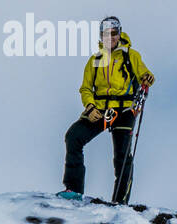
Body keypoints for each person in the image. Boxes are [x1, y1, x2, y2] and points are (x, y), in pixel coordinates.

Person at [58, 16, 155, 203]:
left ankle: (120, 201)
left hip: (125, 110)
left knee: (122, 156)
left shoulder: (131, 55)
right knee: (73, 136)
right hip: (101, 111)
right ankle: (73, 190)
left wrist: (147, 78)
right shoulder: (95, 60)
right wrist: (90, 106)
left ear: (119, 34)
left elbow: (145, 73)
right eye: (106, 34)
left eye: (114, 33)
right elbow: (86, 88)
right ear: (101, 36)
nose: (110, 37)